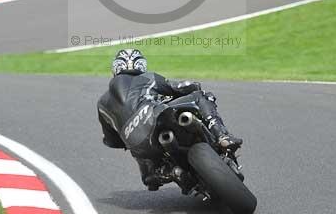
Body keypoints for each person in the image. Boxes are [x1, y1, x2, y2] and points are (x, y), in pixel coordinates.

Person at [97, 48, 242, 190]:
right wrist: (193, 86)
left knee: (149, 177)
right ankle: (222, 136)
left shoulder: (102, 102)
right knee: (200, 96)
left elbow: (112, 141)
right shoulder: (148, 77)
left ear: (115, 68)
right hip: (156, 114)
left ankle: (172, 173)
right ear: (141, 65)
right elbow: (184, 86)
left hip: (138, 143)